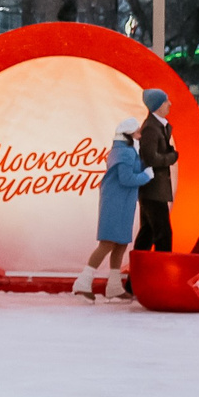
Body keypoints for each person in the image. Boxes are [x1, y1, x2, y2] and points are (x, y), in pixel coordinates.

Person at [77, 117, 154, 301]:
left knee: (120, 243)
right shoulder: (124, 153)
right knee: (108, 243)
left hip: (123, 202)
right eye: (136, 131)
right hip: (116, 202)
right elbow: (126, 179)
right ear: (128, 134)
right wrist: (145, 176)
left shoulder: (125, 151)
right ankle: (83, 282)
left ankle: (114, 287)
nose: (139, 133)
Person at [133, 90, 178, 253]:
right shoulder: (151, 128)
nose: (170, 104)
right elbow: (150, 158)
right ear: (158, 105)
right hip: (153, 190)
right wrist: (172, 157)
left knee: (148, 234)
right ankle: (161, 273)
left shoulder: (157, 126)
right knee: (163, 235)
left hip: (153, 190)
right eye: (166, 101)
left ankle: (137, 276)